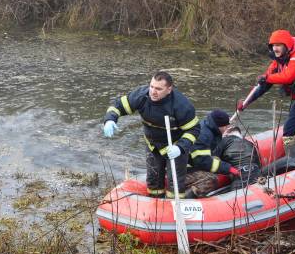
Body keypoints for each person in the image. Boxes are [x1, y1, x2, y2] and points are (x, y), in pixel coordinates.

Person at [237, 29, 295, 164]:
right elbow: (263, 85)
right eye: (273, 45)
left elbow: (288, 77)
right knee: (288, 132)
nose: (275, 48)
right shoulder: (278, 62)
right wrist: (246, 103)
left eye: (278, 45)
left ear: (286, 45)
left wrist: (267, 77)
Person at [102, 70, 200, 198]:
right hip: (152, 144)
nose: (153, 91)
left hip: (174, 145)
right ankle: (155, 204)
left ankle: (173, 207)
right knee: (153, 180)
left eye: (159, 89)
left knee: (174, 182)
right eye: (152, 86)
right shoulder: (141, 96)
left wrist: (180, 147)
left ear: (169, 89)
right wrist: (110, 119)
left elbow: (194, 129)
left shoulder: (181, 105)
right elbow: (118, 106)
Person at [185, 109, 261, 197]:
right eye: (225, 126)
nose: (226, 129)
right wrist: (228, 168)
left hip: (186, 162)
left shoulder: (207, 127)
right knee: (211, 179)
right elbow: (202, 161)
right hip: (182, 167)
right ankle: (187, 198)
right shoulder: (204, 136)